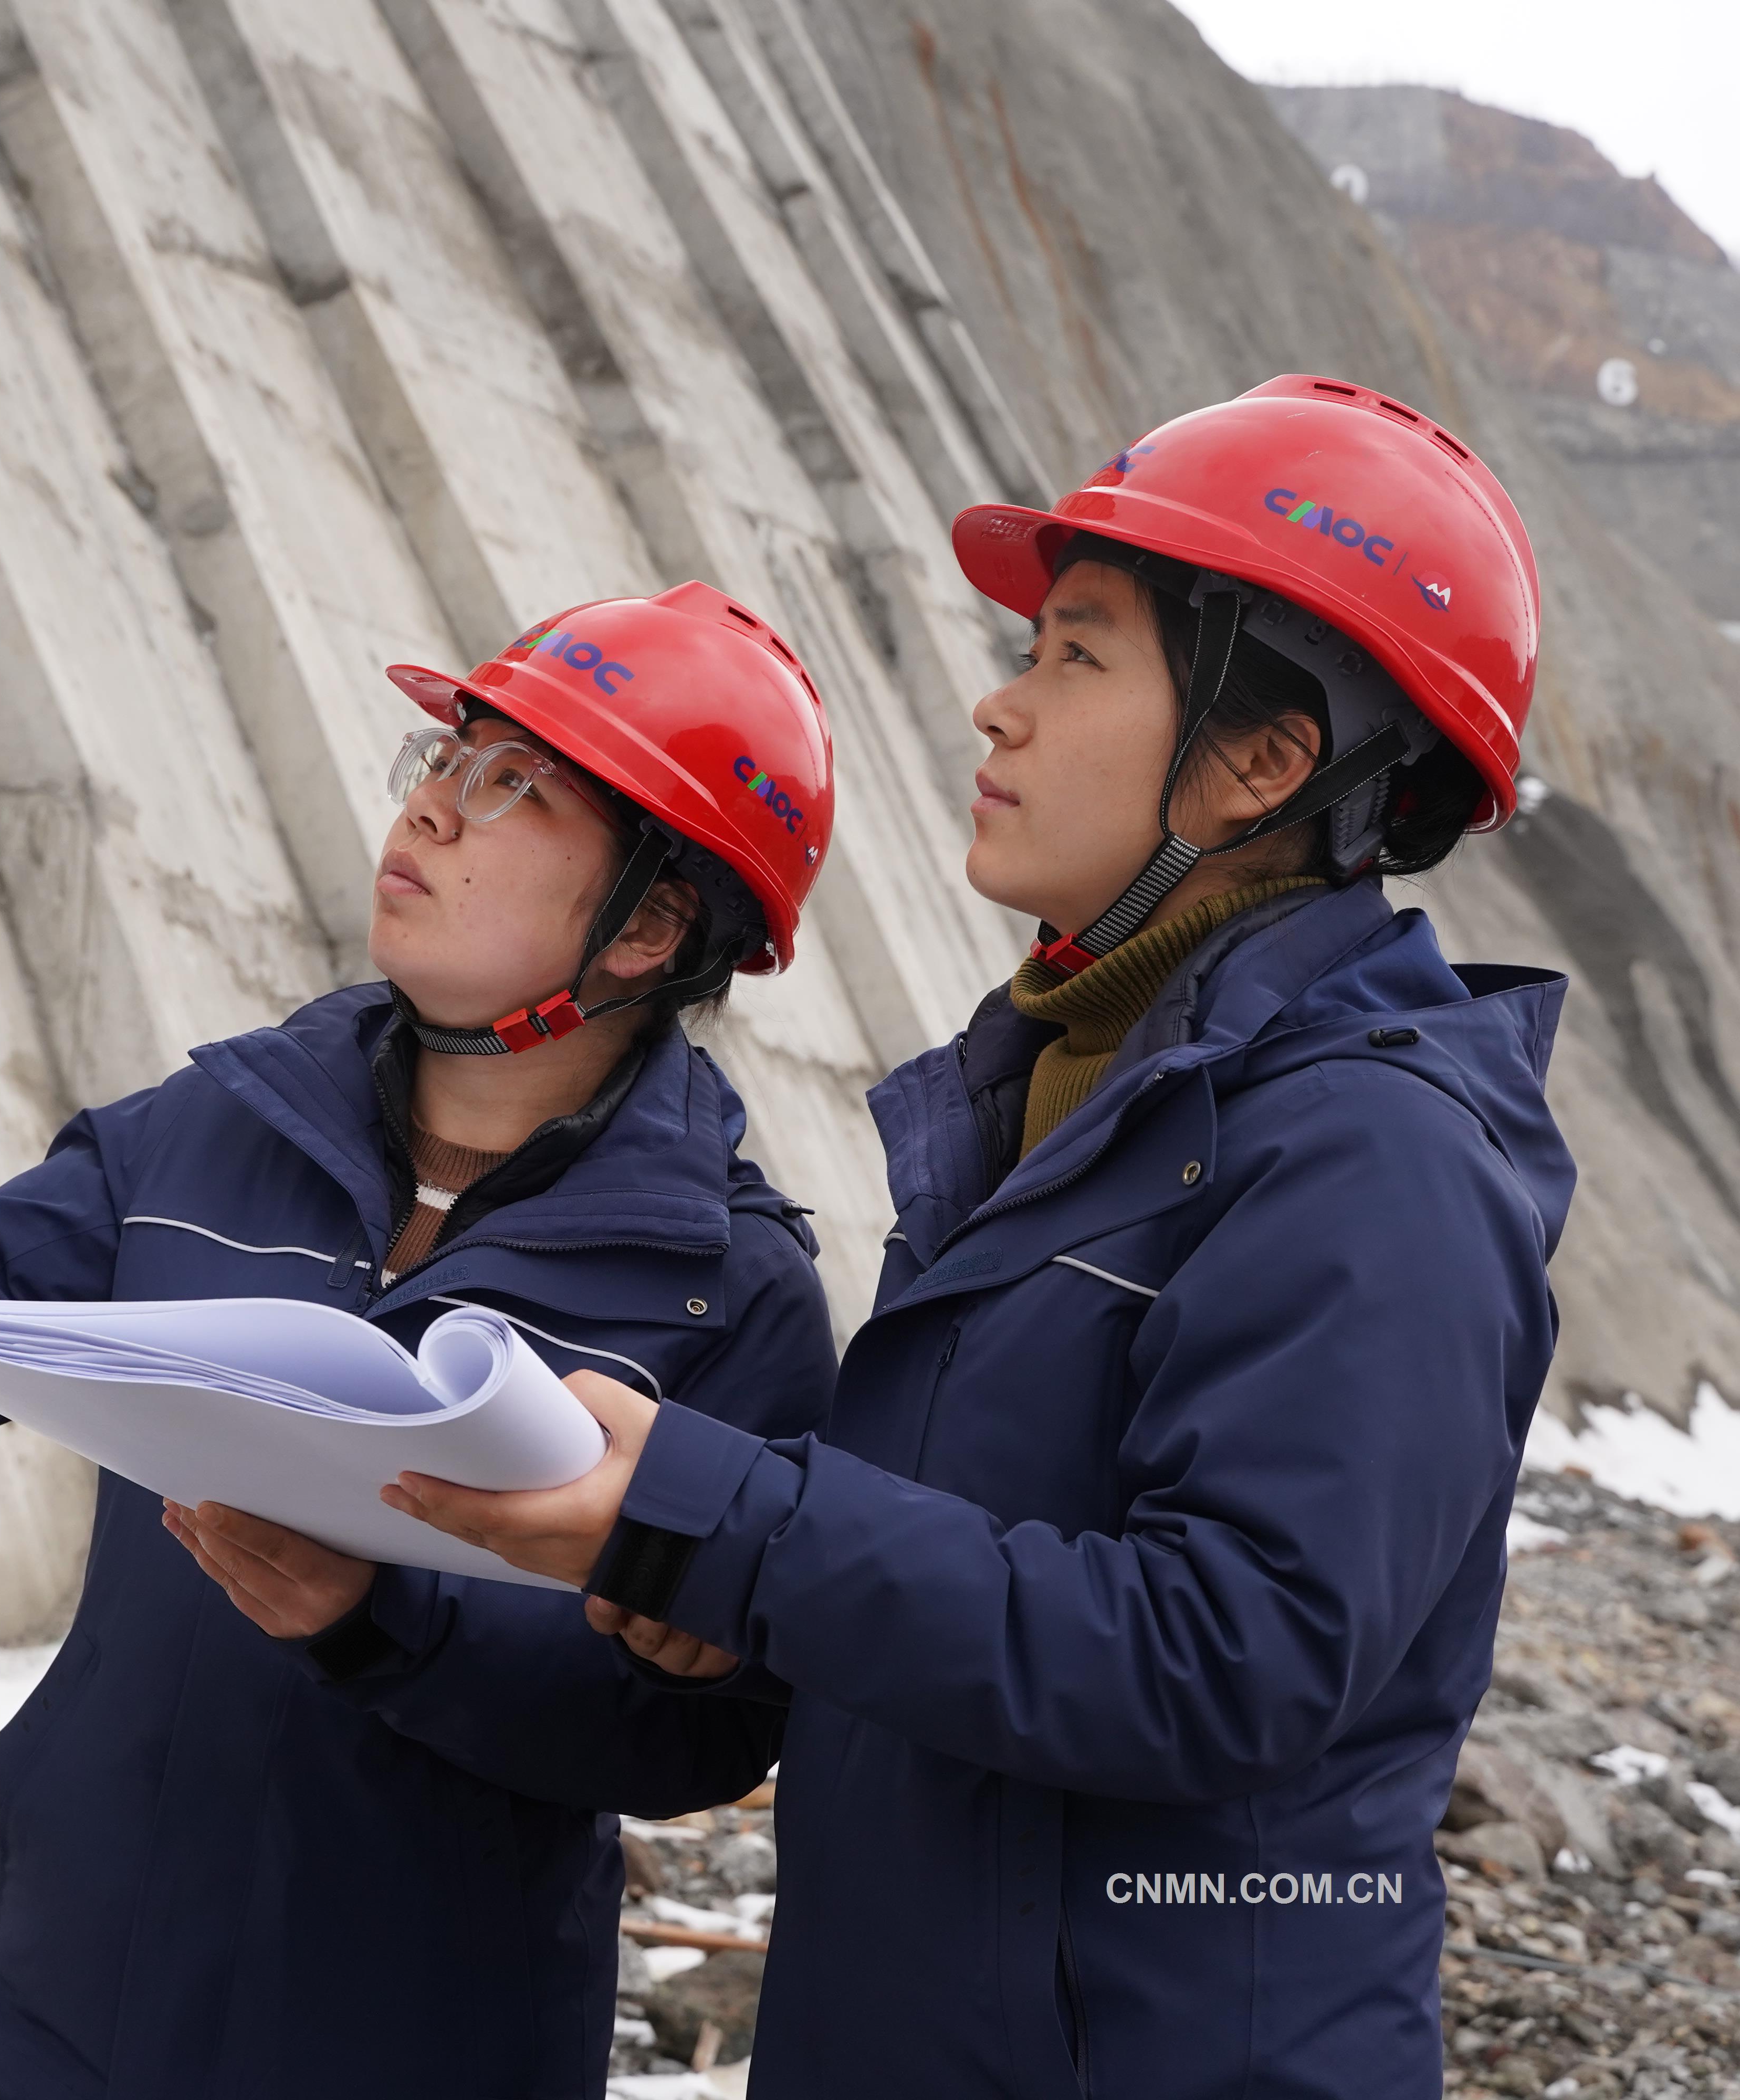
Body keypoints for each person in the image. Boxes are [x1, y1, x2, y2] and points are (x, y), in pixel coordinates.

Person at [391, 375, 1577, 2098]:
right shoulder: (1076, 1091)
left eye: (1075, 657)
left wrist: (719, 1515)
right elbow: (993, 1585)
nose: (996, 706)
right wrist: (725, 1598)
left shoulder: (1377, 1151)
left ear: (1265, 759)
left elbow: (1221, 1659)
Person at [0, 581, 843, 2099]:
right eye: (447, 765)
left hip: (415, 2050)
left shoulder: (722, 1289)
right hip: (77, 2000)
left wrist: (376, 1628)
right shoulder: (225, 1121)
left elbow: (696, 1739)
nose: (439, 814)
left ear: (652, 926)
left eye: (516, 789)